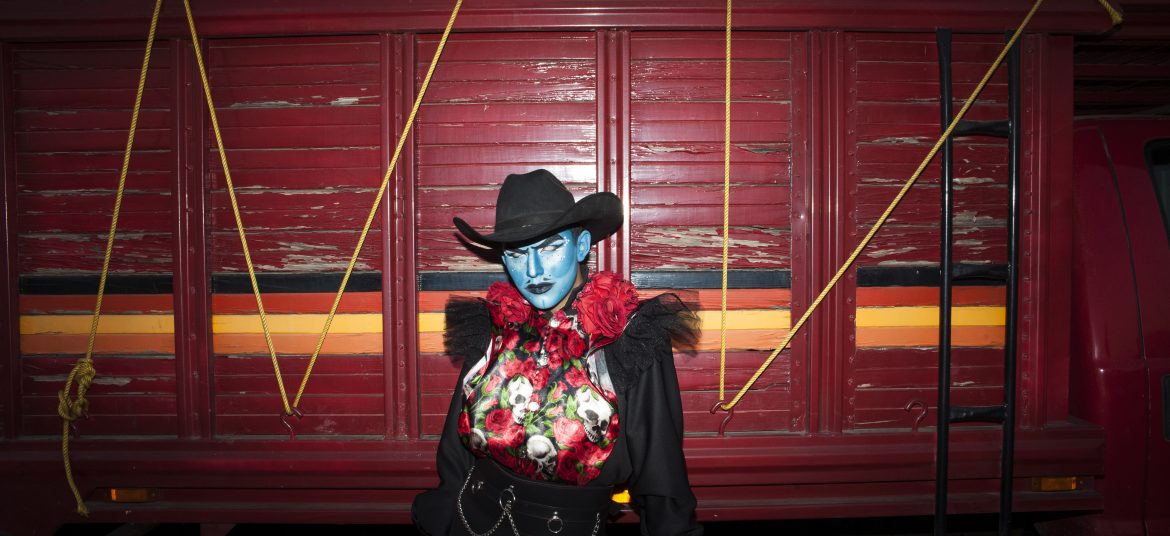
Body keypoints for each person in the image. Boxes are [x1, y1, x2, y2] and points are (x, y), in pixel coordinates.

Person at [412, 169, 703, 535]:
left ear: (581, 247)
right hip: (471, 522)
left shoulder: (626, 336)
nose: (533, 270)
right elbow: (455, 455)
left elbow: (661, 475)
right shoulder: (493, 324)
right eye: (517, 254)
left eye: (550, 248)